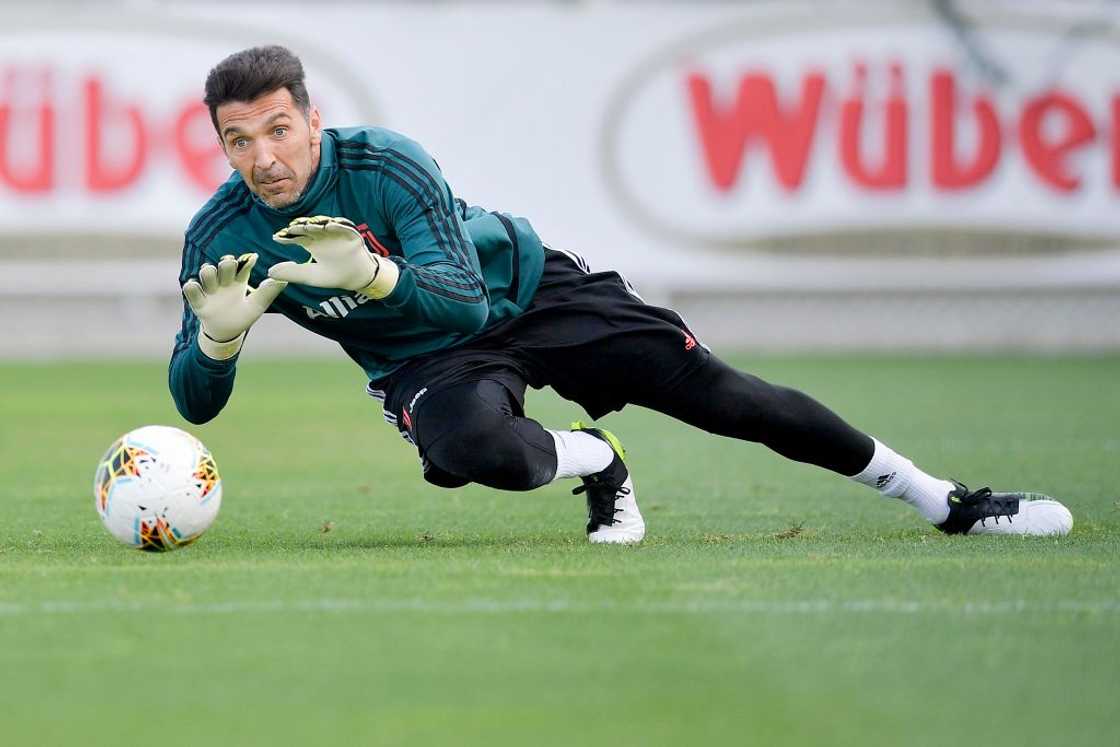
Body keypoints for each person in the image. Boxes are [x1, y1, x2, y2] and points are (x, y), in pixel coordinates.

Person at [170, 45, 1072, 544]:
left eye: (279, 129)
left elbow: (464, 302)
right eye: (238, 140)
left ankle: (944, 500)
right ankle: (598, 462)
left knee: (726, 398)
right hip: (424, 358)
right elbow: (195, 403)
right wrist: (213, 345)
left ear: (312, 118)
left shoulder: (388, 163)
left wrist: (374, 276)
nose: (264, 158)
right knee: (471, 454)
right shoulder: (220, 237)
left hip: (525, 291)